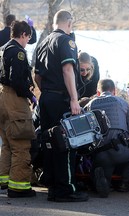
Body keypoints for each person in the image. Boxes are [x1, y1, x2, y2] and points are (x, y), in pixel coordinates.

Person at [34, 10, 88, 202]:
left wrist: (46, 93)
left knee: (49, 143)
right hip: (60, 100)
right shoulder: (66, 41)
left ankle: (54, 188)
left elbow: (37, 75)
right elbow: (68, 70)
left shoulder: (43, 42)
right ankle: (66, 189)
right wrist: (74, 99)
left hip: (46, 99)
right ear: (69, 23)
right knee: (66, 143)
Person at [84, 79, 129, 198]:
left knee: (105, 165)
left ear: (98, 92)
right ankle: (125, 181)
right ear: (114, 91)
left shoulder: (90, 105)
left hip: (98, 153)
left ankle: (102, 180)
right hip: (119, 151)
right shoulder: (122, 102)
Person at [0, 20, 37, 198]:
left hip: (2, 98)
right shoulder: (18, 52)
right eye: (28, 37)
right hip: (15, 100)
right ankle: (19, 187)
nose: (28, 41)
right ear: (23, 35)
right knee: (21, 143)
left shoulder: (3, 48)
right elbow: (17, 80)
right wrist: (31, 96)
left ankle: (4, 181)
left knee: (7, 143)